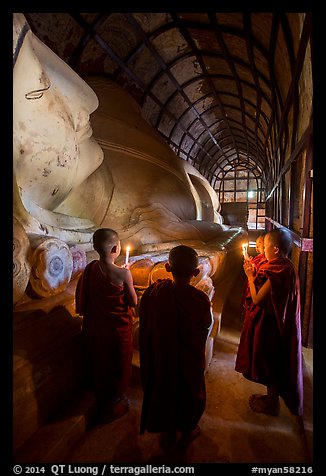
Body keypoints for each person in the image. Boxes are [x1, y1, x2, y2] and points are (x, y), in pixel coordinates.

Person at [138, 245, 213, 451]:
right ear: (196, 272)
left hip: (163, 357)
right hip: (188, 359)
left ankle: (168, 432)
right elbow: (205, 326)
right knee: (189, 391)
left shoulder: (155, 292)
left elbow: (143, 316)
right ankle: (188, 430)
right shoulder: (199, 299)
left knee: (165, 388)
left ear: (167, 267)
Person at [235, 228, 303, 417]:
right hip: (278, 323)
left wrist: (249, 276)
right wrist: (256, 272)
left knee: (270, 363)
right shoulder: (287, 267)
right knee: (271, 362)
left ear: (275, 250)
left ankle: (272, 404)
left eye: (265, 247)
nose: (262, 250)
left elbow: (257, 299)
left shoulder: (276, 270)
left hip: (271, 327)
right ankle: (270, 398)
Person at [75, 228, 138, 424]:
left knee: (100, 359)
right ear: (115, 248)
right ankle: (115, 401)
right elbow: (133, 301)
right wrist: (127, 275)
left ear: (94, 247)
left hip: (96, 326)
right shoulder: (123, 274)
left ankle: (100, 393)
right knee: (118, 363)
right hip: (116, 330)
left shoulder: (91, 268)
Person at [240, 233, 267, 318]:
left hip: (256, 291)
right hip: (251, 284)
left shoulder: (267, 261)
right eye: (256, 244)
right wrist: (249, 262)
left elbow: (257, 272)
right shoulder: (259, 257)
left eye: (259, 243)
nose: (257, 246)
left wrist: (251, 271)